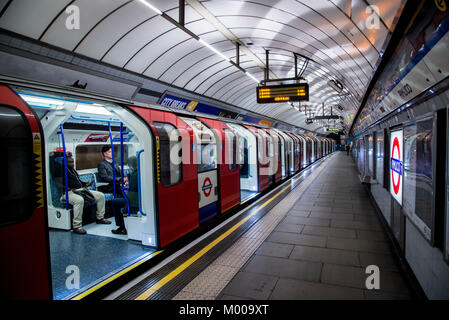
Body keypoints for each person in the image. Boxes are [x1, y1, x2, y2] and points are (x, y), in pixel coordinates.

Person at [64, 152, 111, 235]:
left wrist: (85, 184)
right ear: (65, 162)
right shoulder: (61, 172)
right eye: (70, 162)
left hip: (80, 190)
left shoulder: (73, 170)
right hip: (68, 192)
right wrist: (72, 188)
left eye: (73, 162)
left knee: (100, 196)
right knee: (79, 200)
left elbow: (78, 182)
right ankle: (77, 226)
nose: (72, 164)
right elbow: (59, 185)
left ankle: (100, 218)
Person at [97, 146, 128, 235]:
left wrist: (124, 179)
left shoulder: (115, 163)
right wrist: (119, 180)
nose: (112, 153)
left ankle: (126, 213)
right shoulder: (102, 165)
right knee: (125, 193)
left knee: (127, 189)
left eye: (112, 151)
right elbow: (105, 177)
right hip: (109, 186)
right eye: (110, 152)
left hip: (118, 184)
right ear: (105, 154)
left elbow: (120, 174)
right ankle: (125, 212)